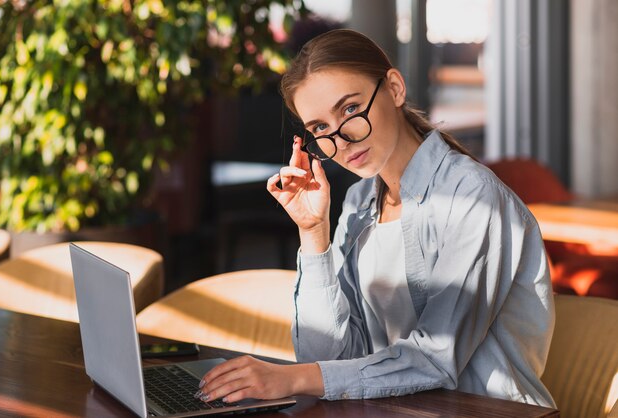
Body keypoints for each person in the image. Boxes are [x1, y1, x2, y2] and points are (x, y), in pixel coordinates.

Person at [197, 29, 556, 407]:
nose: (342, 138)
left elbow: (434, 358)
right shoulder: (358, 202)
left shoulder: (472, 197)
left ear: (395, 89)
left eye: (350, 109)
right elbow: (328, 359)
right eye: (320, 128)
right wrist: (314, 233)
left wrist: (290, 378)